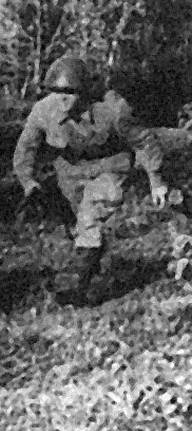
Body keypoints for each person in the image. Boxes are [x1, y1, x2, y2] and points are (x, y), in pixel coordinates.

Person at [13, 56, 168, 304]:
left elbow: (144, 141)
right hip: (70, 172)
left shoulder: (112, 109)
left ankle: (76, 288)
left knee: (90, 217)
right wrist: (29, 183)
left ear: (84, 92)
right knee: (76, 226)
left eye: (69, 92)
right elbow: (25, 149)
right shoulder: (44, 110)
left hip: (110, 166)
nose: (61, 98)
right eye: (56, 92)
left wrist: (156, 179)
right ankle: (91, 269)